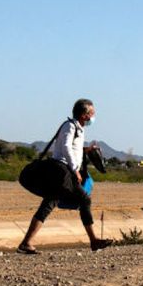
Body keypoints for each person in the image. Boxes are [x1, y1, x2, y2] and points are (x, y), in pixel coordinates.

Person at [17, 98, 111, 255]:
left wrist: (86, 150)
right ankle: (93, 241)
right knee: (84, 199)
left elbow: (72, 148)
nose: (94, 117)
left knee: (50, 203)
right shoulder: (70, 126)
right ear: (84, 115)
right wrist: (75, 170)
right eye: (92, 113)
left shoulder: (79, 129)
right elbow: (65, 147)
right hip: (61, 170)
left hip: (63, 170)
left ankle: (26, 243)